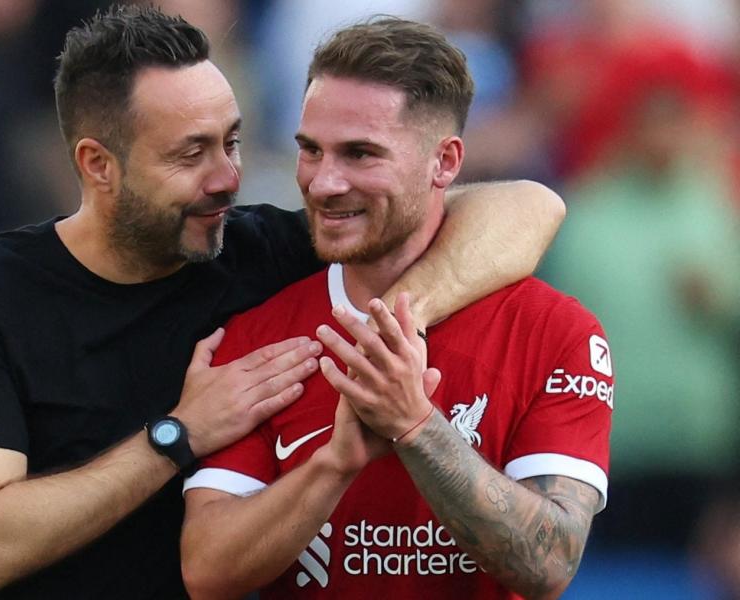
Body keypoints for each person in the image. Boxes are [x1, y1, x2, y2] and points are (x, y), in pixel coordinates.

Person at [0, 6, 566, 598]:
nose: (228, 177)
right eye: (190, 153)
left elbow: (530, 207)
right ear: (97, 164)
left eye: (230, 141)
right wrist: (178, 435)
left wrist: (397, 319)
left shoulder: (263, 253)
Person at [181, 17, 611, 599]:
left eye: (360, 154)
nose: (325, 182)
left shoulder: (555, 330)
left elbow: (551, 563)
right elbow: (207, 572)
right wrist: (334, 465)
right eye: (311, 150)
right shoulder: (257, 335)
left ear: (446, 162)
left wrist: (417, 427)